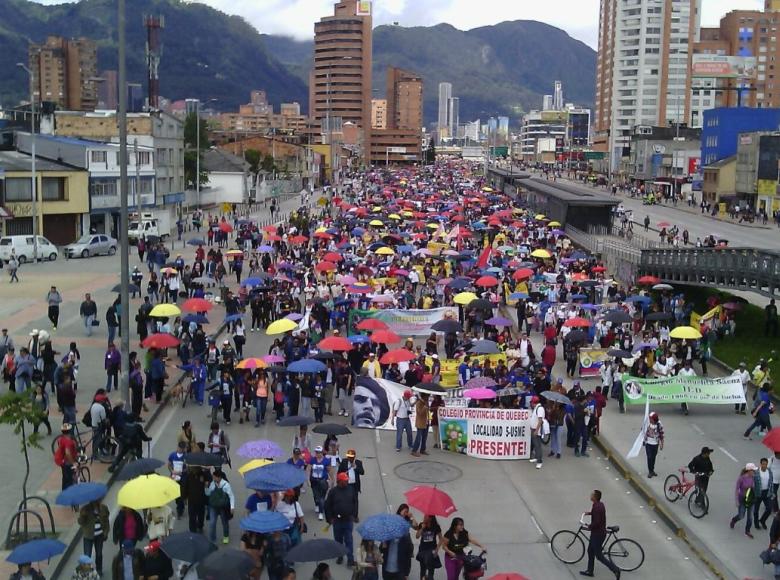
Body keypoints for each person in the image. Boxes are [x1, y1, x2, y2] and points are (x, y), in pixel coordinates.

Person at [579, 490, 620, 579]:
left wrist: (589, 526)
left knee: (599, 556)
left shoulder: (597, 507)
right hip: (597, 533)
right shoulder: (599, 504)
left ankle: (615, 569)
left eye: (592, 494)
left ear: (595, 497)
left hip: (598, 534)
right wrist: (589, 513)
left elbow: (597, 522)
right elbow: (597, 515)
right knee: (590, 551)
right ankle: (590, 571)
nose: (590, 495)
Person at [324, 472, 357, 567]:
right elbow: (327, 506)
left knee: (349, 540)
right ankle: (340, 556)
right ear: (339, 482)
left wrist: (354, 514)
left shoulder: (351, 489)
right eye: (345, 481)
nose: (347, 482)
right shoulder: (333, 492)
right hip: (337, 521)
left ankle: (350, 559)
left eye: (347, 480)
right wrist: (329, 518)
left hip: (348, 520)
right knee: (338, 540)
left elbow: (355, 502)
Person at [78, 498, 110, 576]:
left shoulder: (103, 508)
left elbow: (106, 521)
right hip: (88, 536)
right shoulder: (85, 509)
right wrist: (83, 516)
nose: (96, 501)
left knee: (99, 554)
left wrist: (105, 533)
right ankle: (87, 571)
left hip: (99, 536)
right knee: (87, 555)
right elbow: (80, 522)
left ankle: (99, 569)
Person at [206, 469, 235, 544]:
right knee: (212, 522)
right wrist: (206, 487)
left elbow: (231, 496)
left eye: (214, 477)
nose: (213, 478)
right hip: (213, 506)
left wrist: (232, 507)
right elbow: (208, 494)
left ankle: (226, 536)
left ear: (219, 477)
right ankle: (212, 539)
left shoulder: (226, 485)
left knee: (224, 522)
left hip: (223, 507)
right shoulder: (212, 483)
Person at [730, 463, 758, 538]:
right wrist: (737, 501)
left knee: (750, 517)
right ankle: (734, 520)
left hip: (751, 500)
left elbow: (754, 488)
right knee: (741, 516)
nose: (754, 472)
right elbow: (736, 489)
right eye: (753, 471)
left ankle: (747, 531)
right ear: (749, 471)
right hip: (742, 499)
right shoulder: (741, 478)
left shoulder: (753, 478)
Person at [338, 449, 364, 520]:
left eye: (351, 457)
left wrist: (355, 467)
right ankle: (346, 514)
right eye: (349, 457)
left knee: (355, 500)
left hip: (354, 485)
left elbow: (362, 472)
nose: (350, 459)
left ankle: (355, 516)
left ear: (354, 456)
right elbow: (339, 472)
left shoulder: (358, 462)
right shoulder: (344, 462)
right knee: (345, 499)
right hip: (346, 484)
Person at [416, 515, 442, 580]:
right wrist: (422, 528)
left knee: (431, 570)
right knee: (423, 570)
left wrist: (437, 549)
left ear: (430, 518)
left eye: (426, 516)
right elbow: (417, 536)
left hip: (432, 550)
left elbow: (441, 538)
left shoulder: (436, 526)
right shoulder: (421, 524)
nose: (424, 517)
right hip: (423, 550)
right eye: (424, 516)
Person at [308, 445, 330, 520]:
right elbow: (308, 469)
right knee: (315, 495)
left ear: (322, 453)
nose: (317, 454)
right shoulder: (312, 460)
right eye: (316, 452)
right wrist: (308, 480)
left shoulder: (326, 461)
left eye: (319, 452)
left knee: (322, 497)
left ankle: (321, 512)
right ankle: (317, 504)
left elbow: (329, 471)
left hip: (323, 480)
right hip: (314, 480)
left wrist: (332, 480)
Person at [54, 423, 78, 490]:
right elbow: (67, 453)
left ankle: (64, 491)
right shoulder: (68, 441)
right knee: (69, 479)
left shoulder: (62, 438)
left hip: (60, 460)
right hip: (66, 461)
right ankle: (68, 492)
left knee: (65, 478)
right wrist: (73, 463)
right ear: (70, 431)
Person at [168, 441, 187, 519]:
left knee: (181, 493)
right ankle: (180, 504)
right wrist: (172, 471)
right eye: (180, 448)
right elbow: (169, 464)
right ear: (178, 447)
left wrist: (182, 472)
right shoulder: (172, 455)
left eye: (183, 449)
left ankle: (180, 510)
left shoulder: (186, 457)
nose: (182, 450)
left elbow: (188, 468)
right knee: (176, 494)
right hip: (174, 477)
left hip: (183, 478)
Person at [755, 457, 775, 530]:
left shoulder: (769, 472)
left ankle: (762, 520)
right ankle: (756, 524)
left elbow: (771, 483)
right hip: (758, 493)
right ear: (760, 464)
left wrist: (772, 492)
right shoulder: (756, 472)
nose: (764, 466)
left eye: (766, 464)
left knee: (769, 508)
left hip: (766, 493)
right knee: (755, 510)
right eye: (763, 464)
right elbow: (753, 483)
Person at [643, 411, 663, 478]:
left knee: (653, 457)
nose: (649, 419)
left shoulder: (659, 424)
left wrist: (661, 444)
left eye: (650, 418)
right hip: (648, 443)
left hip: (655, 444)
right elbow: (643, 429)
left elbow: (661, 434)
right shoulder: (647, 423)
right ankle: (650, 471)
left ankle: (652, 470)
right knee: (649, 457)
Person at [411, 392, 431, 457]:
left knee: (424, 438)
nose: (428, 398)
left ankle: (422, 450)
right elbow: (419, 413)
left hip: (426, 422)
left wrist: (427, 407)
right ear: (424, 396)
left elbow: (427, 411)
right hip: (420, 423)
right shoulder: (419, 403)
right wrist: (425, 407)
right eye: (427, 396)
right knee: (418, 438)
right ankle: (414, 451)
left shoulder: (426, 402)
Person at [529, 395, 545, 469]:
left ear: (533, 402)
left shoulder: (540, 408)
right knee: (535, 445)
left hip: (536, 430)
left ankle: (539, 461)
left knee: (538, 445)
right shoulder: (536, 408)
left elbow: (540, 420)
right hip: (533, 429)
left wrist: (536, 430)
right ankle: (536, 457)